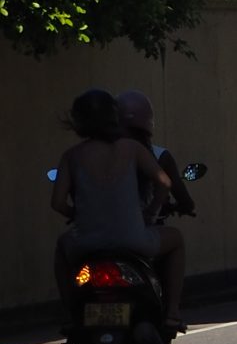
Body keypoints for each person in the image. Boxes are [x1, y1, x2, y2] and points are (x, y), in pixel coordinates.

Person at [50, 87, 185, 329]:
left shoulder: (72, 156)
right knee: (176, 240)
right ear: (114, 117)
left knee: (61, 249)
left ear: (79, 121)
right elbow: (164, 182)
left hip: (86, 243)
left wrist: (77, 214)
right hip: (133, 240)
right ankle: (172, 312)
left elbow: (57, 203)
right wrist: (151, 213)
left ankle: (70, 313)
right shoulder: (132, 149)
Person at [117, 90, 194, 221]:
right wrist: (151, 212)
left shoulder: (99, 153)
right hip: (139, 229)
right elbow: (180, 196)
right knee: (175, 238)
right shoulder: (160, 156)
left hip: (102, 228)